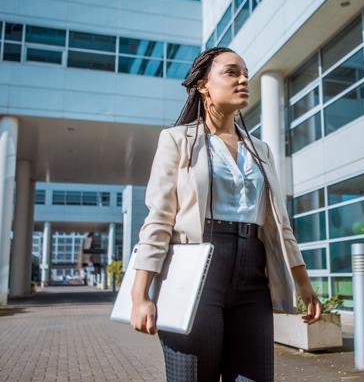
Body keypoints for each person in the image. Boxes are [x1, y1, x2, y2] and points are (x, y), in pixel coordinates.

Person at [130, 46, 321, 382]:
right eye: (232, 72)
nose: (243, 79)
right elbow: (159, 219)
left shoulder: (260, 150)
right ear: (204, 84)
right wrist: (139, 294)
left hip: (253, 274)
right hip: (195, 272)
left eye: (245, 73)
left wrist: (303, 282)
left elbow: (280, 223)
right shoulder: (177, 140)